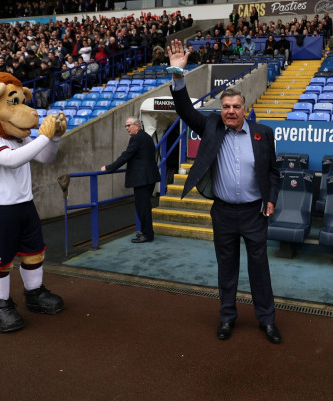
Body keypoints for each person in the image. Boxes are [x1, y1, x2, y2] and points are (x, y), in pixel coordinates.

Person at [167, 39, 281, 344]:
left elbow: (273, 172)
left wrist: (271, 198)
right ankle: (227, 318)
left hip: (255, 213)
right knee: (226, 269)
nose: (230, 112)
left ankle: (266, 320)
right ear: (221, 109)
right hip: (224, 212)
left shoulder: (263, 134)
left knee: (260, 269)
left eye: (236, 107)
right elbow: (185, 111)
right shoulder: (212, 126)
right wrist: (178, 74)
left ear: (246, 109)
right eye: (226, 107)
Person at [0, 73, 66, 333]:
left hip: (24, 205)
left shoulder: (15, 134)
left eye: (21, 101)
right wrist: (44, 136)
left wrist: (53, 138)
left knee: (34, 254)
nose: (24, 110)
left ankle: (34, 294)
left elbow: (44, 157)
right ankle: (0, 306)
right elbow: (10, 159)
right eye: (13, 102)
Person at [101, 117, 160, 243]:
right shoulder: (146, 137)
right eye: (126, 126)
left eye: (129, 125)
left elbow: (126, 155)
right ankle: (146, 232)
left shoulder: (136, 138)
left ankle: (148, 234)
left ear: (137, 125)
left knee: (142, 208)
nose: (127, 128)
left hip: (142, 179)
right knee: (144, 207)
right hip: (149, 177)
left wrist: (109, 168)